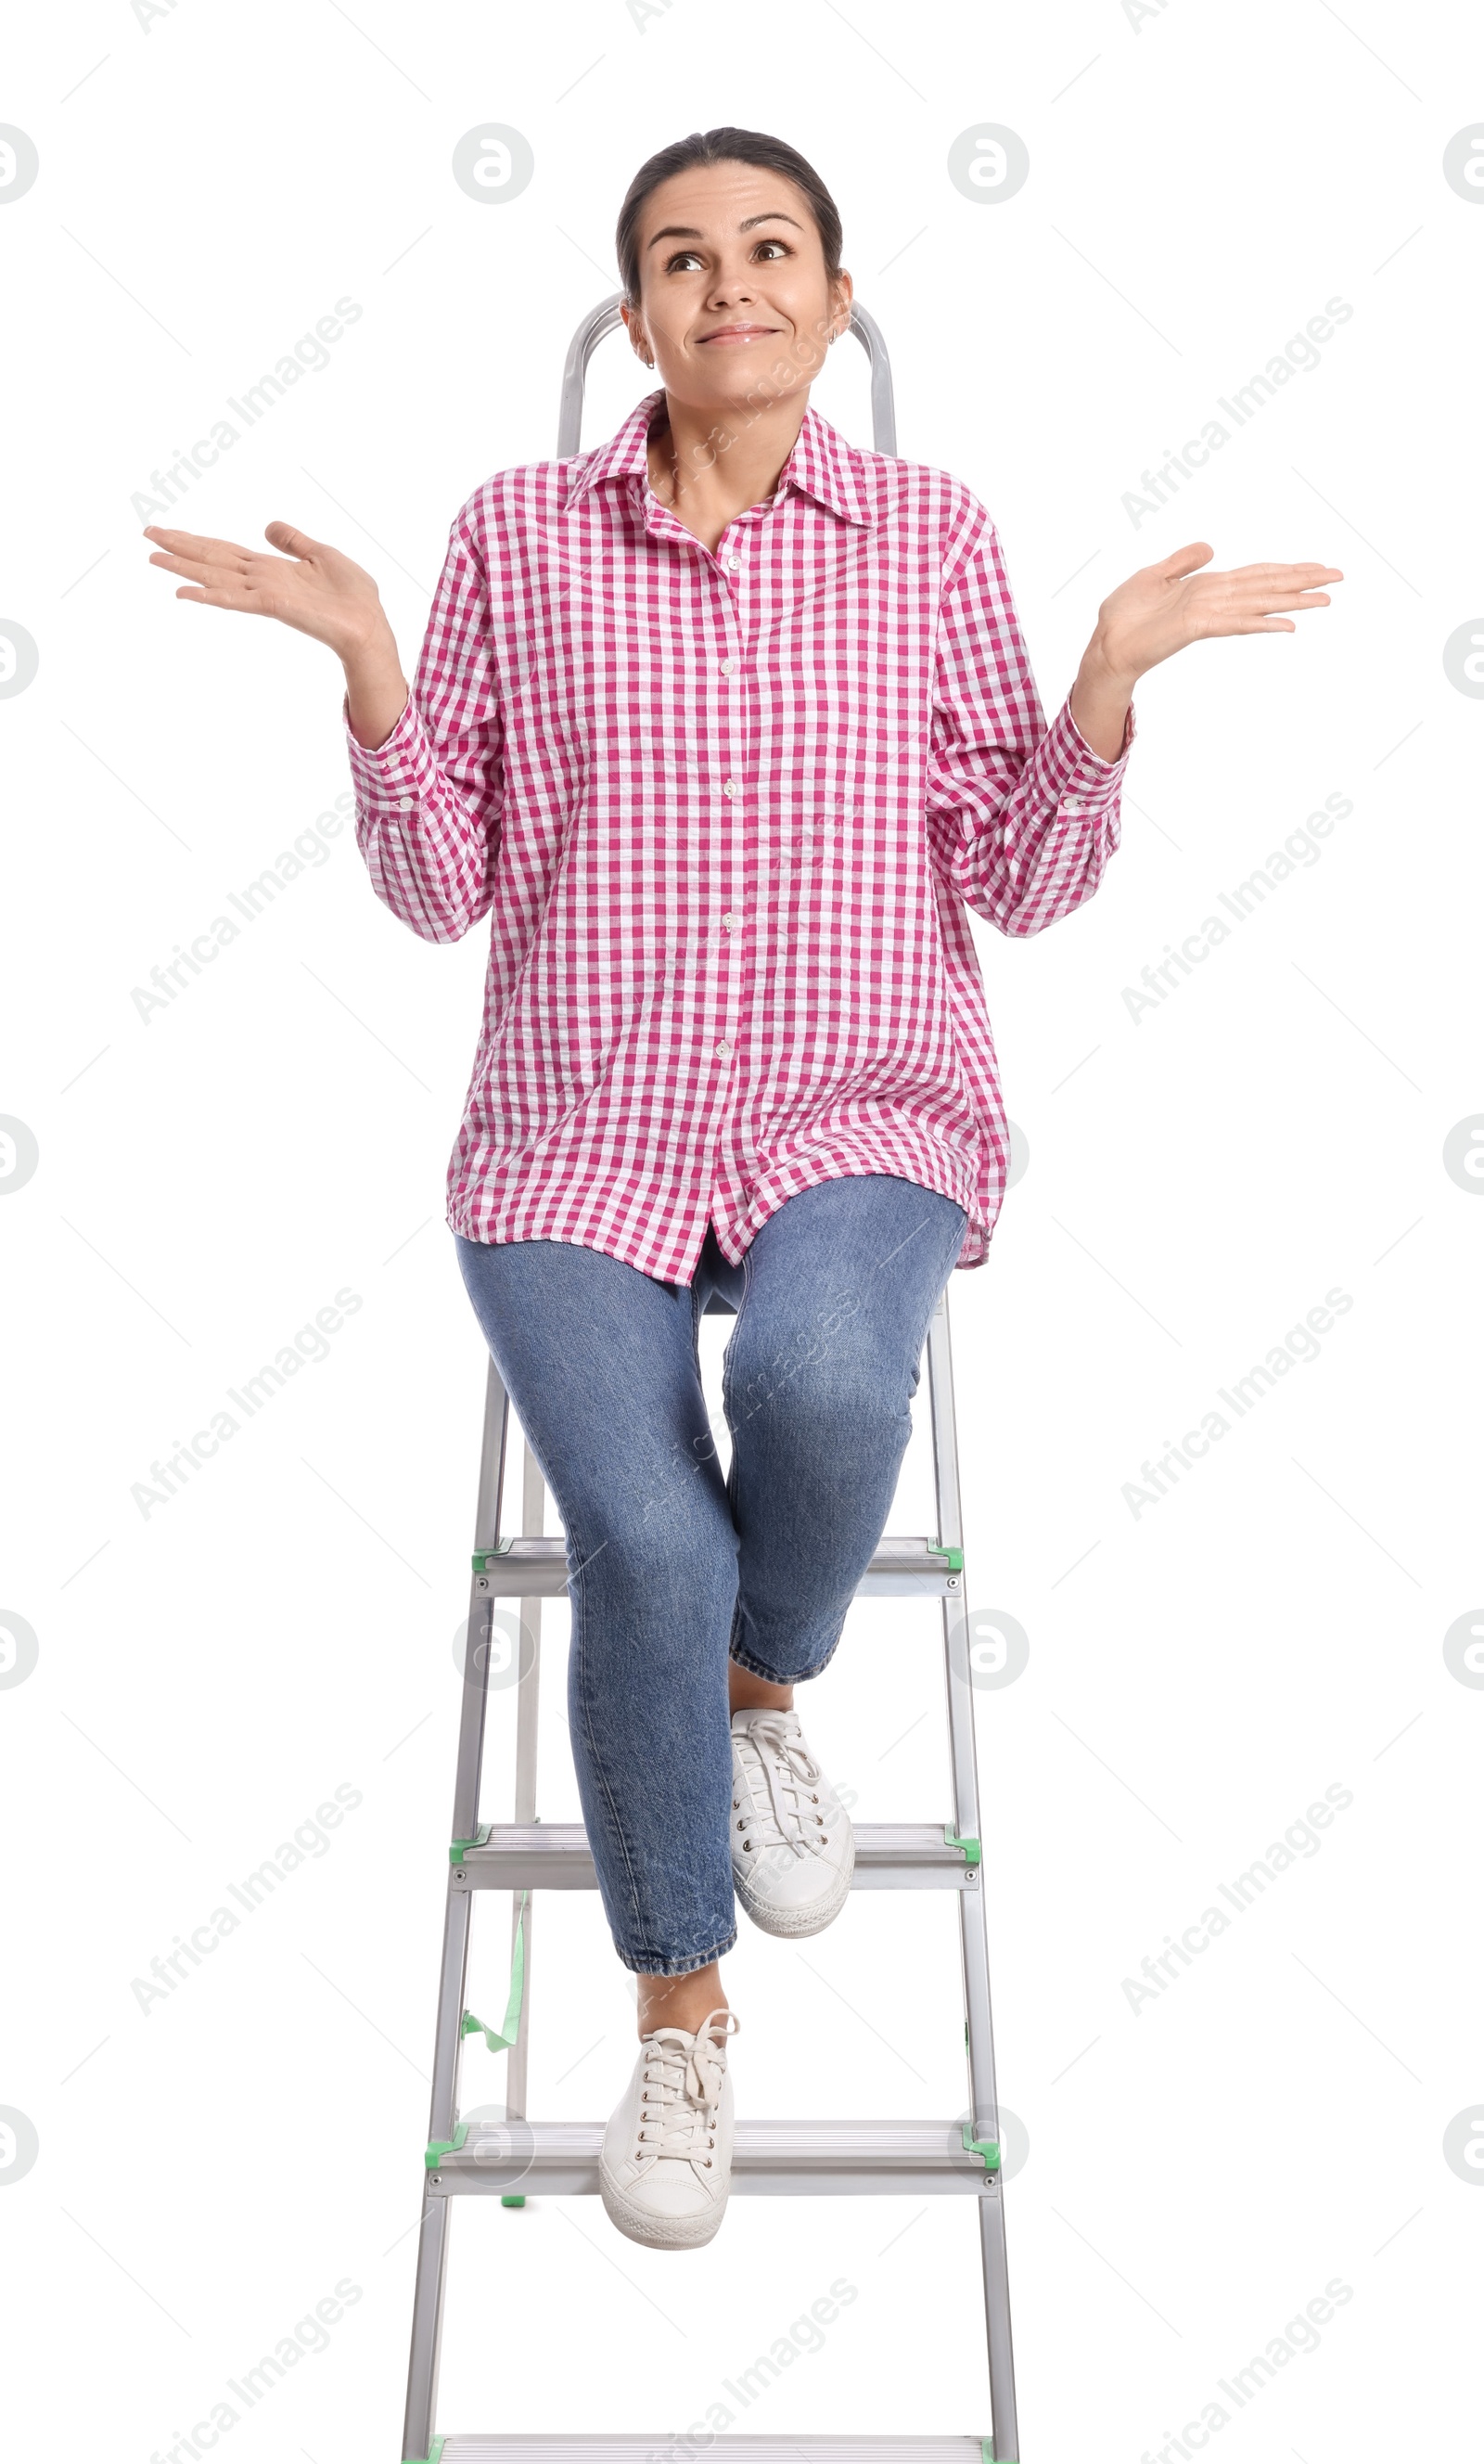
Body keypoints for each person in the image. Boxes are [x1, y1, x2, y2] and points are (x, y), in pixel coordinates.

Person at [145, 125, 1341, 2254]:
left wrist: (1100, 686)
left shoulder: (929, 537)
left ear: (836, 294)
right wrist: (371, 669)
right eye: (683, 261)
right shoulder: (520, 534)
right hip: (572, 1133)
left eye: (771, 250)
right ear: (638, 319)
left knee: (813, 1386)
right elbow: (442, 889)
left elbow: (1018, 880)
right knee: (635, 1533)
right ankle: (681, 2014)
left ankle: (761, 1693)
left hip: (861, 1104)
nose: (731, 288)